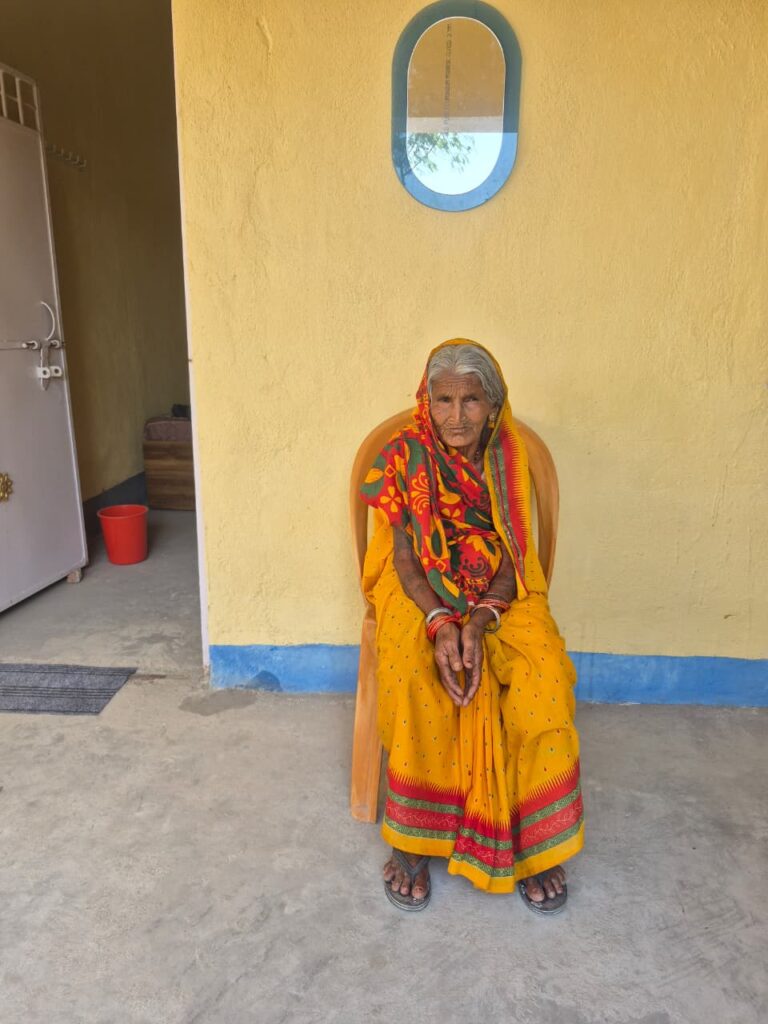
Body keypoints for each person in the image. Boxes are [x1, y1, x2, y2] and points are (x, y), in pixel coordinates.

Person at [360, 339, 583, 914]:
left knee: (545, 675)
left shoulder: (508, 459)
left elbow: (514, 553)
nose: (457, 415)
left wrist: (482, 617)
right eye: (444, 400)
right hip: (419, 587)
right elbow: (405, 555)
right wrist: (438, 619)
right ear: (426, 401)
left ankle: (537, 841)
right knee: (411, 668)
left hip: (498, 590)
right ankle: (411, 842)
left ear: (493, 402)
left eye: (472, 400)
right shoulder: (406, 454)